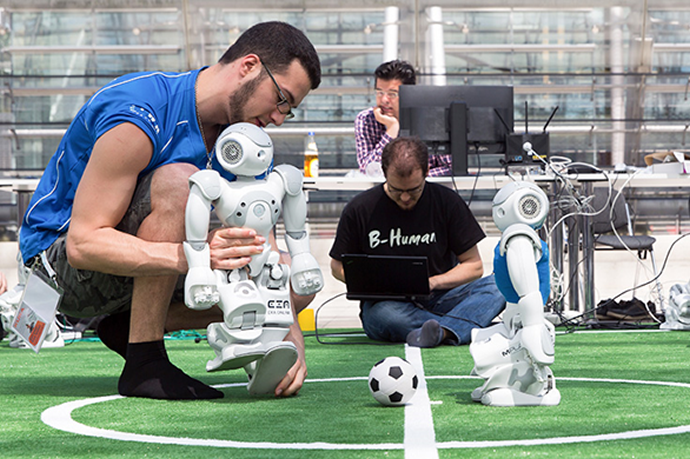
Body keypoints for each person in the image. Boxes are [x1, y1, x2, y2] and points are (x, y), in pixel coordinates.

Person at [18, 21, 321, 400]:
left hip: (138, 266)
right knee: (180, 179)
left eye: (289, 110)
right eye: (282, 99)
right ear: (248, 66)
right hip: (58, 268)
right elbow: (84, 244)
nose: (279, 117)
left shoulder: (243, 139)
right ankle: (144, 362)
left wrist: (288, 339)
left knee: (294, 284)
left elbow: (263, 246)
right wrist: (196, 255)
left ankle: (125, 327)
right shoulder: (139, 111)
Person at [329, 136, 505, 347]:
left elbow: (474, 266)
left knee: (501, 285)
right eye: (396, 190)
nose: (405, 198)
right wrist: (373, 284)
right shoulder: (360, 208)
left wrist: (433, 282)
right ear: (384, 174)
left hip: (443, 297)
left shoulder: (447, 202)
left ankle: (443, 331)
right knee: (385, 317)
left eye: (414, 190)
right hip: (389, 304)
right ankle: (461, 326)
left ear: (427, 172)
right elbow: (337, 267)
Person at [354, 60, 451, 177]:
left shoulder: (431, 119)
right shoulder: (365, 120)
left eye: (392, 94)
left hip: (427, 191)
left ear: (410, 94)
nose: (384, 100)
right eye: (380, 92)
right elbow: (367, 171)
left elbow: (451, 168)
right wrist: (391, 130)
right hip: (383, 193)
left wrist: (411, 180)